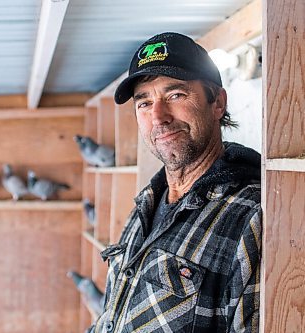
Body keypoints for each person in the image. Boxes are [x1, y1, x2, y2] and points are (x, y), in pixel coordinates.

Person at [89, 32, 261, 333]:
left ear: (218, 102)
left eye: (175, 96)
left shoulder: (252, 215)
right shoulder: (147, 204)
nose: (159, 116)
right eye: (144, 103)